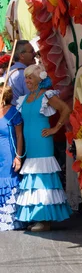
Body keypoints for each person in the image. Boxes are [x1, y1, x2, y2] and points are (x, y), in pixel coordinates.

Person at [15, 63, 72, 232]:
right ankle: (39, 216)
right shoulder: (24, 98)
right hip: (30, 145)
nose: (27, 81)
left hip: (42, 143)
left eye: (30, 77)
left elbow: (65, 109)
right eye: (26, 77)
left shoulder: (47, 96)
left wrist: (56, 128)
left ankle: (45, 219)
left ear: (39, 79)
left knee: (43, 179)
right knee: (33, 180)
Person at [0, 85, 24, 231]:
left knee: (6, 181)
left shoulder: (13, 112)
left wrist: (18, 157)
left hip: (8, 153)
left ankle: (8, 218)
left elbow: (20, 135)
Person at [9, 40, 36, 105]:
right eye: (31, 51)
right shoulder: (24, 74)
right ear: (22, 56)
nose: (35, 53)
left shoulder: (10, 71)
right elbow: (32, 101)